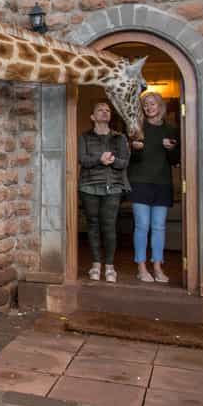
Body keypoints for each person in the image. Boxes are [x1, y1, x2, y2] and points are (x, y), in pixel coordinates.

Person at [129, 91, 180, 283]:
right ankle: (141, 268)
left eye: (152, 104)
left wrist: (171, 149)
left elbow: (176, 161)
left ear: (160, 106)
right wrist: (135, 150)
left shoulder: (170, 130)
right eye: (145, 105)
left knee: (159, 227)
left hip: (162, 183)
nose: (148, 108)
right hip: (140, 182)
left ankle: (158, 267)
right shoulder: (137, 128)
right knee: (142, 226)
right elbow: (131, 159)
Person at [78, 102, 130, 283]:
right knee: (92, 225)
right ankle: (95, 264)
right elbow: (83, 159)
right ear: (93, 116)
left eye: (107, 110)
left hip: (113, 186)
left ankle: (109, 266)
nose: (104, 112)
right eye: (100, 109)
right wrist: (99, 159)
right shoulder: (84, 137)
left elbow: (124, 162)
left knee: (109, 226)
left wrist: (113, 160)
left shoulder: (120, 138)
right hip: (89, 186)